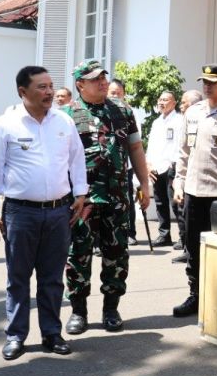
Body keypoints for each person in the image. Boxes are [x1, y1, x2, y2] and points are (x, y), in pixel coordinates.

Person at [0, 66, 88, 360]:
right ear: (22, 92)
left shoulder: (63, 122)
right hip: (20, 213)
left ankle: (51, 333)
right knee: (18, 277)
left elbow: (76, 159)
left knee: (52, 277)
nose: (49, 92)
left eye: (51, 86)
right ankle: (16, 335)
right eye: (41, 87)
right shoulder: (6, 124)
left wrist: (80, 193)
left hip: (59, 212)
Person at [61, 59, 151, 335]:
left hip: (117, 196)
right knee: (79, 254)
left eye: (103, 77)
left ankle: (111, 308)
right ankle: (78, 311)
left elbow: (135, 148)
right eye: (94, 78)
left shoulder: (122, 110)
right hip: (81, 200)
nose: (102, 81)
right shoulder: (66, 114)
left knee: (117, 253)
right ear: (80, 84)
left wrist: (144, 183)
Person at [171, 65, 217, 318]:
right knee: (193, 247)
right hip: (193, 192)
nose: (206, 86)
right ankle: (196, 295)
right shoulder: (193, 113)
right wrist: (179, 183)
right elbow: (183, 152)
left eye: (212, 81)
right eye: (204, 82)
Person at [146, 90, 184, 247]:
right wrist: (148, 164)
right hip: (156, 167)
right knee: (160, 202)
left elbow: (180, 145)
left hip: (171, 167)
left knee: (175, 203)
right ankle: (164, 234)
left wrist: (174, 165)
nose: (161, 102)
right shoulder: (156, 122)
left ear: (174, 103)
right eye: (160, 99)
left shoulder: (179, 121)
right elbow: (151, 146)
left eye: (166, 100)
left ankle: (183, 236)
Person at [171, 89, 202, 264]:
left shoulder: (196, 120)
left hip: (191, 175)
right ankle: (185, 246)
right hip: (177, 169)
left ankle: (188, 249)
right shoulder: (181, 120)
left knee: (186, 213)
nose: (181, 106)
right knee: (178, 210)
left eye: (184, 103)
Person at [107, 79, 139, 245]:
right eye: (113, 92)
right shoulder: (102, 112)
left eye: (119, 92)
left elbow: (136, 144)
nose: (116, 95)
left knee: (127, 201)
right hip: (106, 170)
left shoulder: (128, 112)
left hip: (126, 166)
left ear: (124, 94)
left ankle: (130, 233)